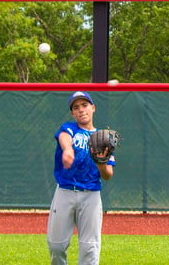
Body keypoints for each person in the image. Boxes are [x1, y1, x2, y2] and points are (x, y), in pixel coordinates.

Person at [47, 90, 115, 265]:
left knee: (89, 247)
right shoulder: (69, 128)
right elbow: (64, 138)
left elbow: (107, 175)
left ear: (93, 108)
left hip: (90, 194)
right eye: (76, 107)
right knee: (56, 246)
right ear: (72, 113)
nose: (81, 110)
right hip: (65, 191)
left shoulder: (103, 138)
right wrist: (68, 150)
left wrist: (101, 162)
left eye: (84, 105)